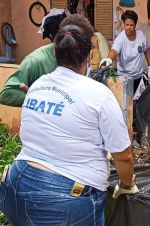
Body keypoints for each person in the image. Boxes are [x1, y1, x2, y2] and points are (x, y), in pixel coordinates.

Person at [0, 15, 138, 225]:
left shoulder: (37, 86)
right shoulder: (99, 95)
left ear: (55, 53)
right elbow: (124, 157)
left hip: (15, 187)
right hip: (66, 201)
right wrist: (127, 184)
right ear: (89, 55)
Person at [100, 10, 150, 93]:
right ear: (123, 24)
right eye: (126, 25)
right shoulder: (120, 38)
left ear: (135, 25)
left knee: (137, 102)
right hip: (123, 78)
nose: (129, 27)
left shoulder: (141, 35)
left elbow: (147, 50)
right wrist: (109, 59)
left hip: (138, 77)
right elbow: (114, 51)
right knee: (125, 103)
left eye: (131, 25)